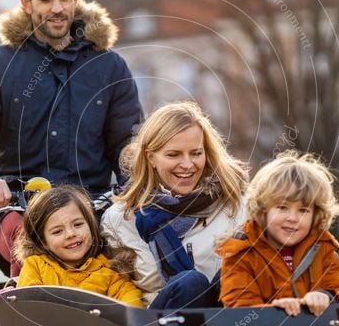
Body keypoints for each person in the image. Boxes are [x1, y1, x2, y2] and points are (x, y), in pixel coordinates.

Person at [0, 0, 143, 278]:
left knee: (131, 271)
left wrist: (135, 191)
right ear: (26, 2)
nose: (57, 8)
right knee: (34, 262)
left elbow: (128, 143)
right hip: (18, 205)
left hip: (94, 207)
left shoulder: (109, 66)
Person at [101, 101, 248, 309]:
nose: (188, 165)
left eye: (196, 153)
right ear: (150, 157)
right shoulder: (119, 219)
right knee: (190, 283)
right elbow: (115, 290)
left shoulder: (239, 205)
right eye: (173, 154)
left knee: (234, 271)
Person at [218, 150, 339, 314]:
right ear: (263, 210)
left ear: (316, 215)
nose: (292, 218)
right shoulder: (242, 252)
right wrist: (274, 311)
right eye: (282, 207)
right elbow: (238, 306)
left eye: (303, 210)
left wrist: (325, 295)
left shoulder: (322, 248)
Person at [15, 185, 143, 307]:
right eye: (57, 231)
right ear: (43, 241)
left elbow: (131, 301)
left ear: (90, 225)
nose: (71, 234)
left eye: (77, 224)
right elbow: (28, 306)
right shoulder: (35, 266)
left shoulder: (108, 271)